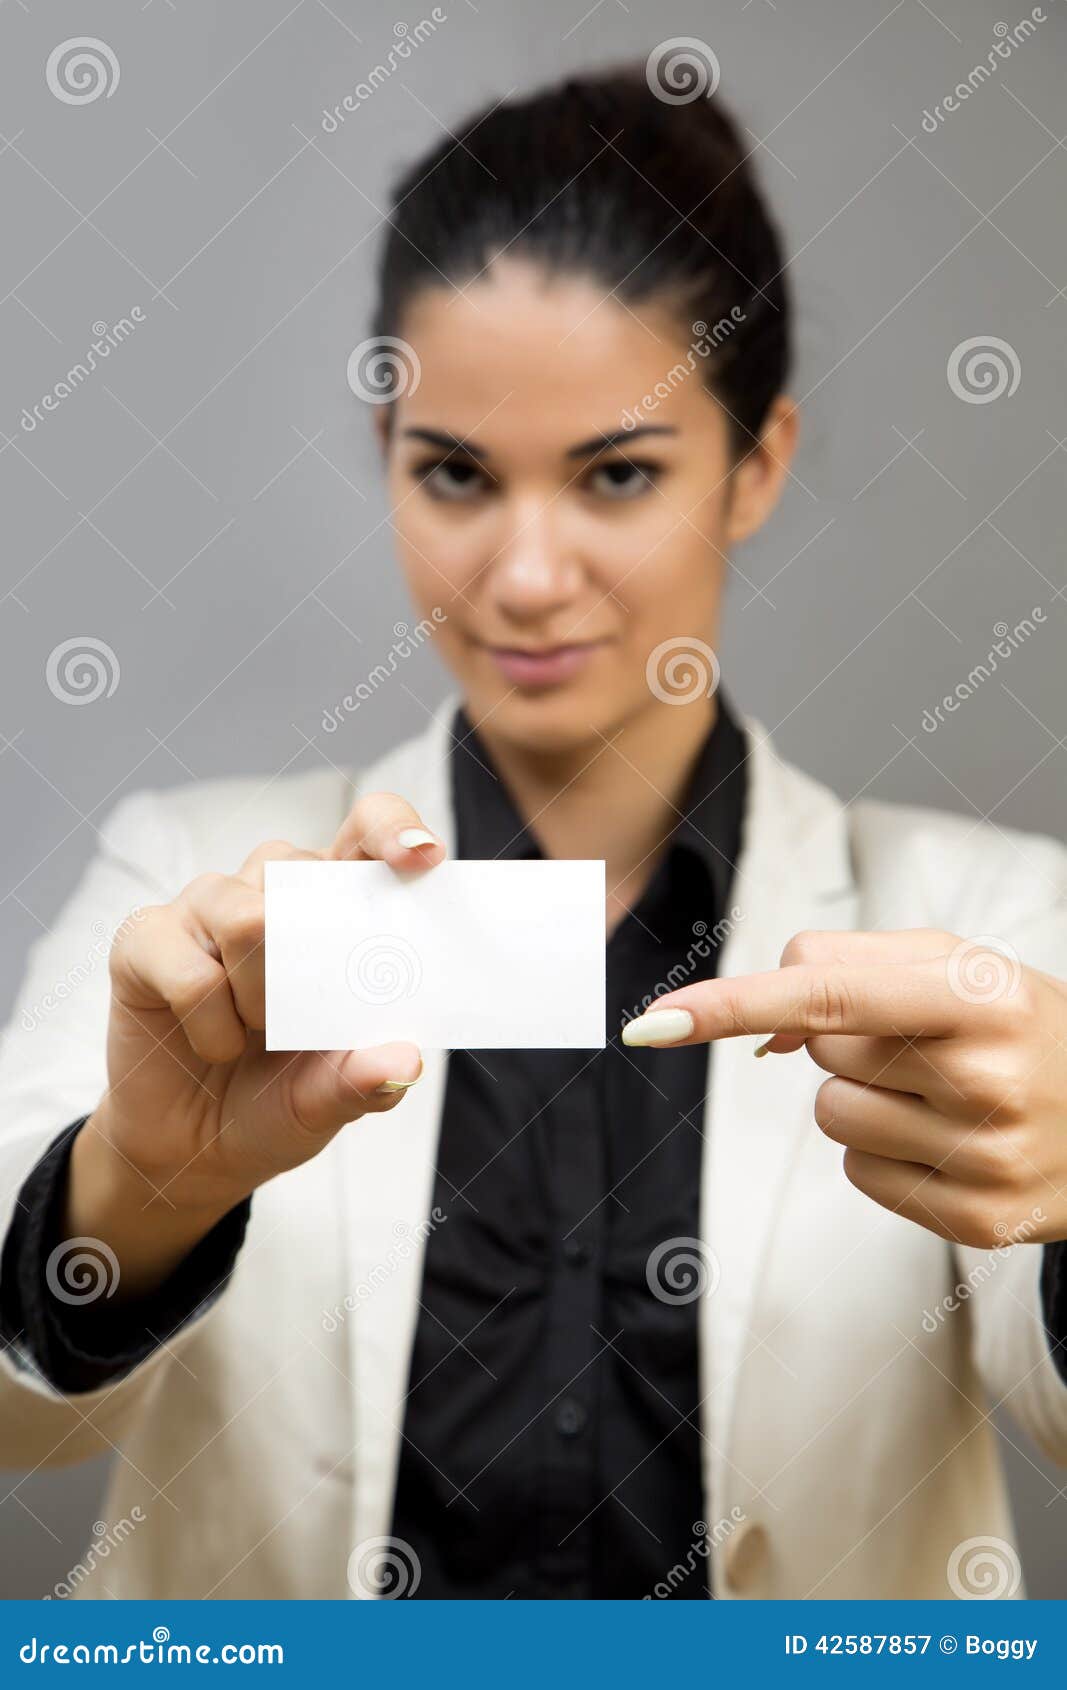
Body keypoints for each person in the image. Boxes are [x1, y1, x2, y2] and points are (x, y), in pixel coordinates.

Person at [1, 62, 1065, 1603]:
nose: (524, 574)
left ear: (753, 463)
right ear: (386, 455)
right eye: (456, 473)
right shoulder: (199, 886)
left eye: (617, 474)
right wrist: (139, 1193)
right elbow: (20, 1416)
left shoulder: (985, 919)